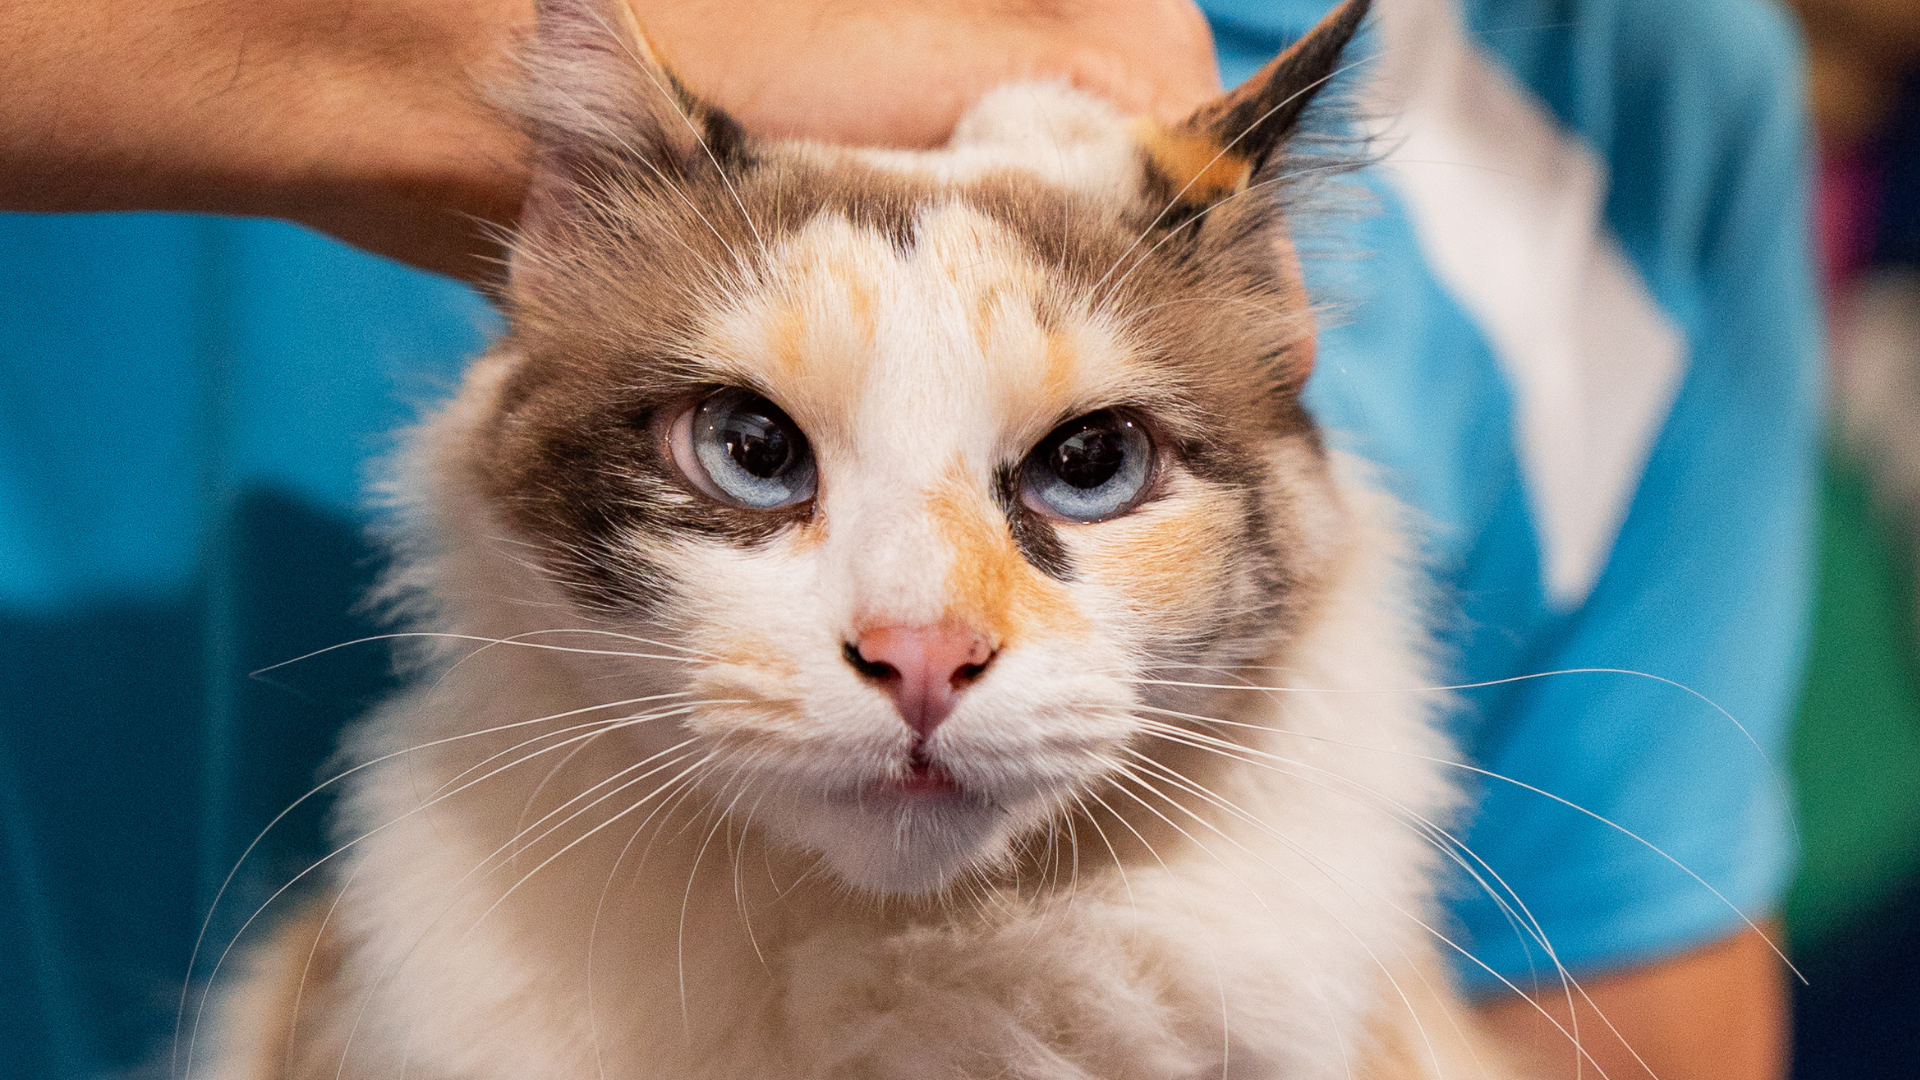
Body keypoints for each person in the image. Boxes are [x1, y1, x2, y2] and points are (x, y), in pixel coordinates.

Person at [0, 1, 1814, 1078]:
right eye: (753, 448)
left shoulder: (1630, 78)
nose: (926, 641)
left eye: (1088, 460)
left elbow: (1644, 1009)